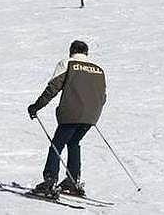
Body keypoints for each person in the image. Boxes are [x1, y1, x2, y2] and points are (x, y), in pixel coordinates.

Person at [27, 40, 107, 199]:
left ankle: (50, 182)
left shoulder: (67, 64)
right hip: (92, 116)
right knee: (73, 143)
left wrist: (36, 106)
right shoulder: (99, 70)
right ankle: (72, 181)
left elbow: (53, 88)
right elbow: (103, 96)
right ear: (86, 53)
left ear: (71, 51)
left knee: (56, 145)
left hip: (71, 114)